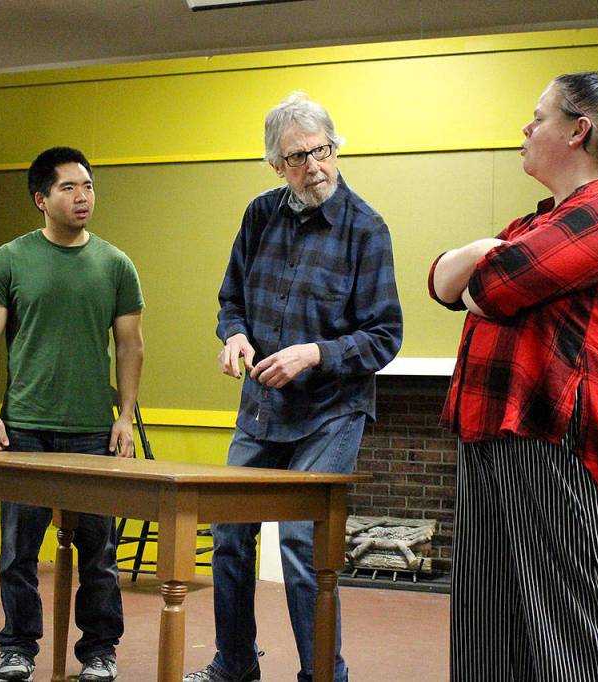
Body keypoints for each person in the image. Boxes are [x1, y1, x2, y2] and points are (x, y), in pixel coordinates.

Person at [428, 66, 598, 680]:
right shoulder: (538, 223)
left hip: (559, 438)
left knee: (595, 628)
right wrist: (483, 250)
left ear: (577, 131)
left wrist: (482, 262)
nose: (526, 128)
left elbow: (490, 287)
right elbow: (439, 282)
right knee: (492, 621)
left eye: (538, 118)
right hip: (493, 434)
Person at [185, 92, 403, 682]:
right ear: (275, 166)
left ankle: (323, 675)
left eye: (321, 151)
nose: (314, 167)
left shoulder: (366, 229)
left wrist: (315, 354)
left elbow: (385, 336)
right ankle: (235, 664)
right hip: (261, 409)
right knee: (229, 535)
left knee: (303, 546)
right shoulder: (259, 215)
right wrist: (234, 335)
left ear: (335, 147)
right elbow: (231, 298)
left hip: (331, 413)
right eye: (297, 158)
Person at [0, 146, 144, 682]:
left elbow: (131, 346)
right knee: (18, 551)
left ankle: (99, 651)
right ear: (41, 199)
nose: (82, 196)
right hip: (23, 426)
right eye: (68, 187)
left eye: (88, 186)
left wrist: (124, 417)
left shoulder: (116, 264)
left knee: (99, 553)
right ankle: (17, 647)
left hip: (93, 431)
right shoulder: (9, 259)